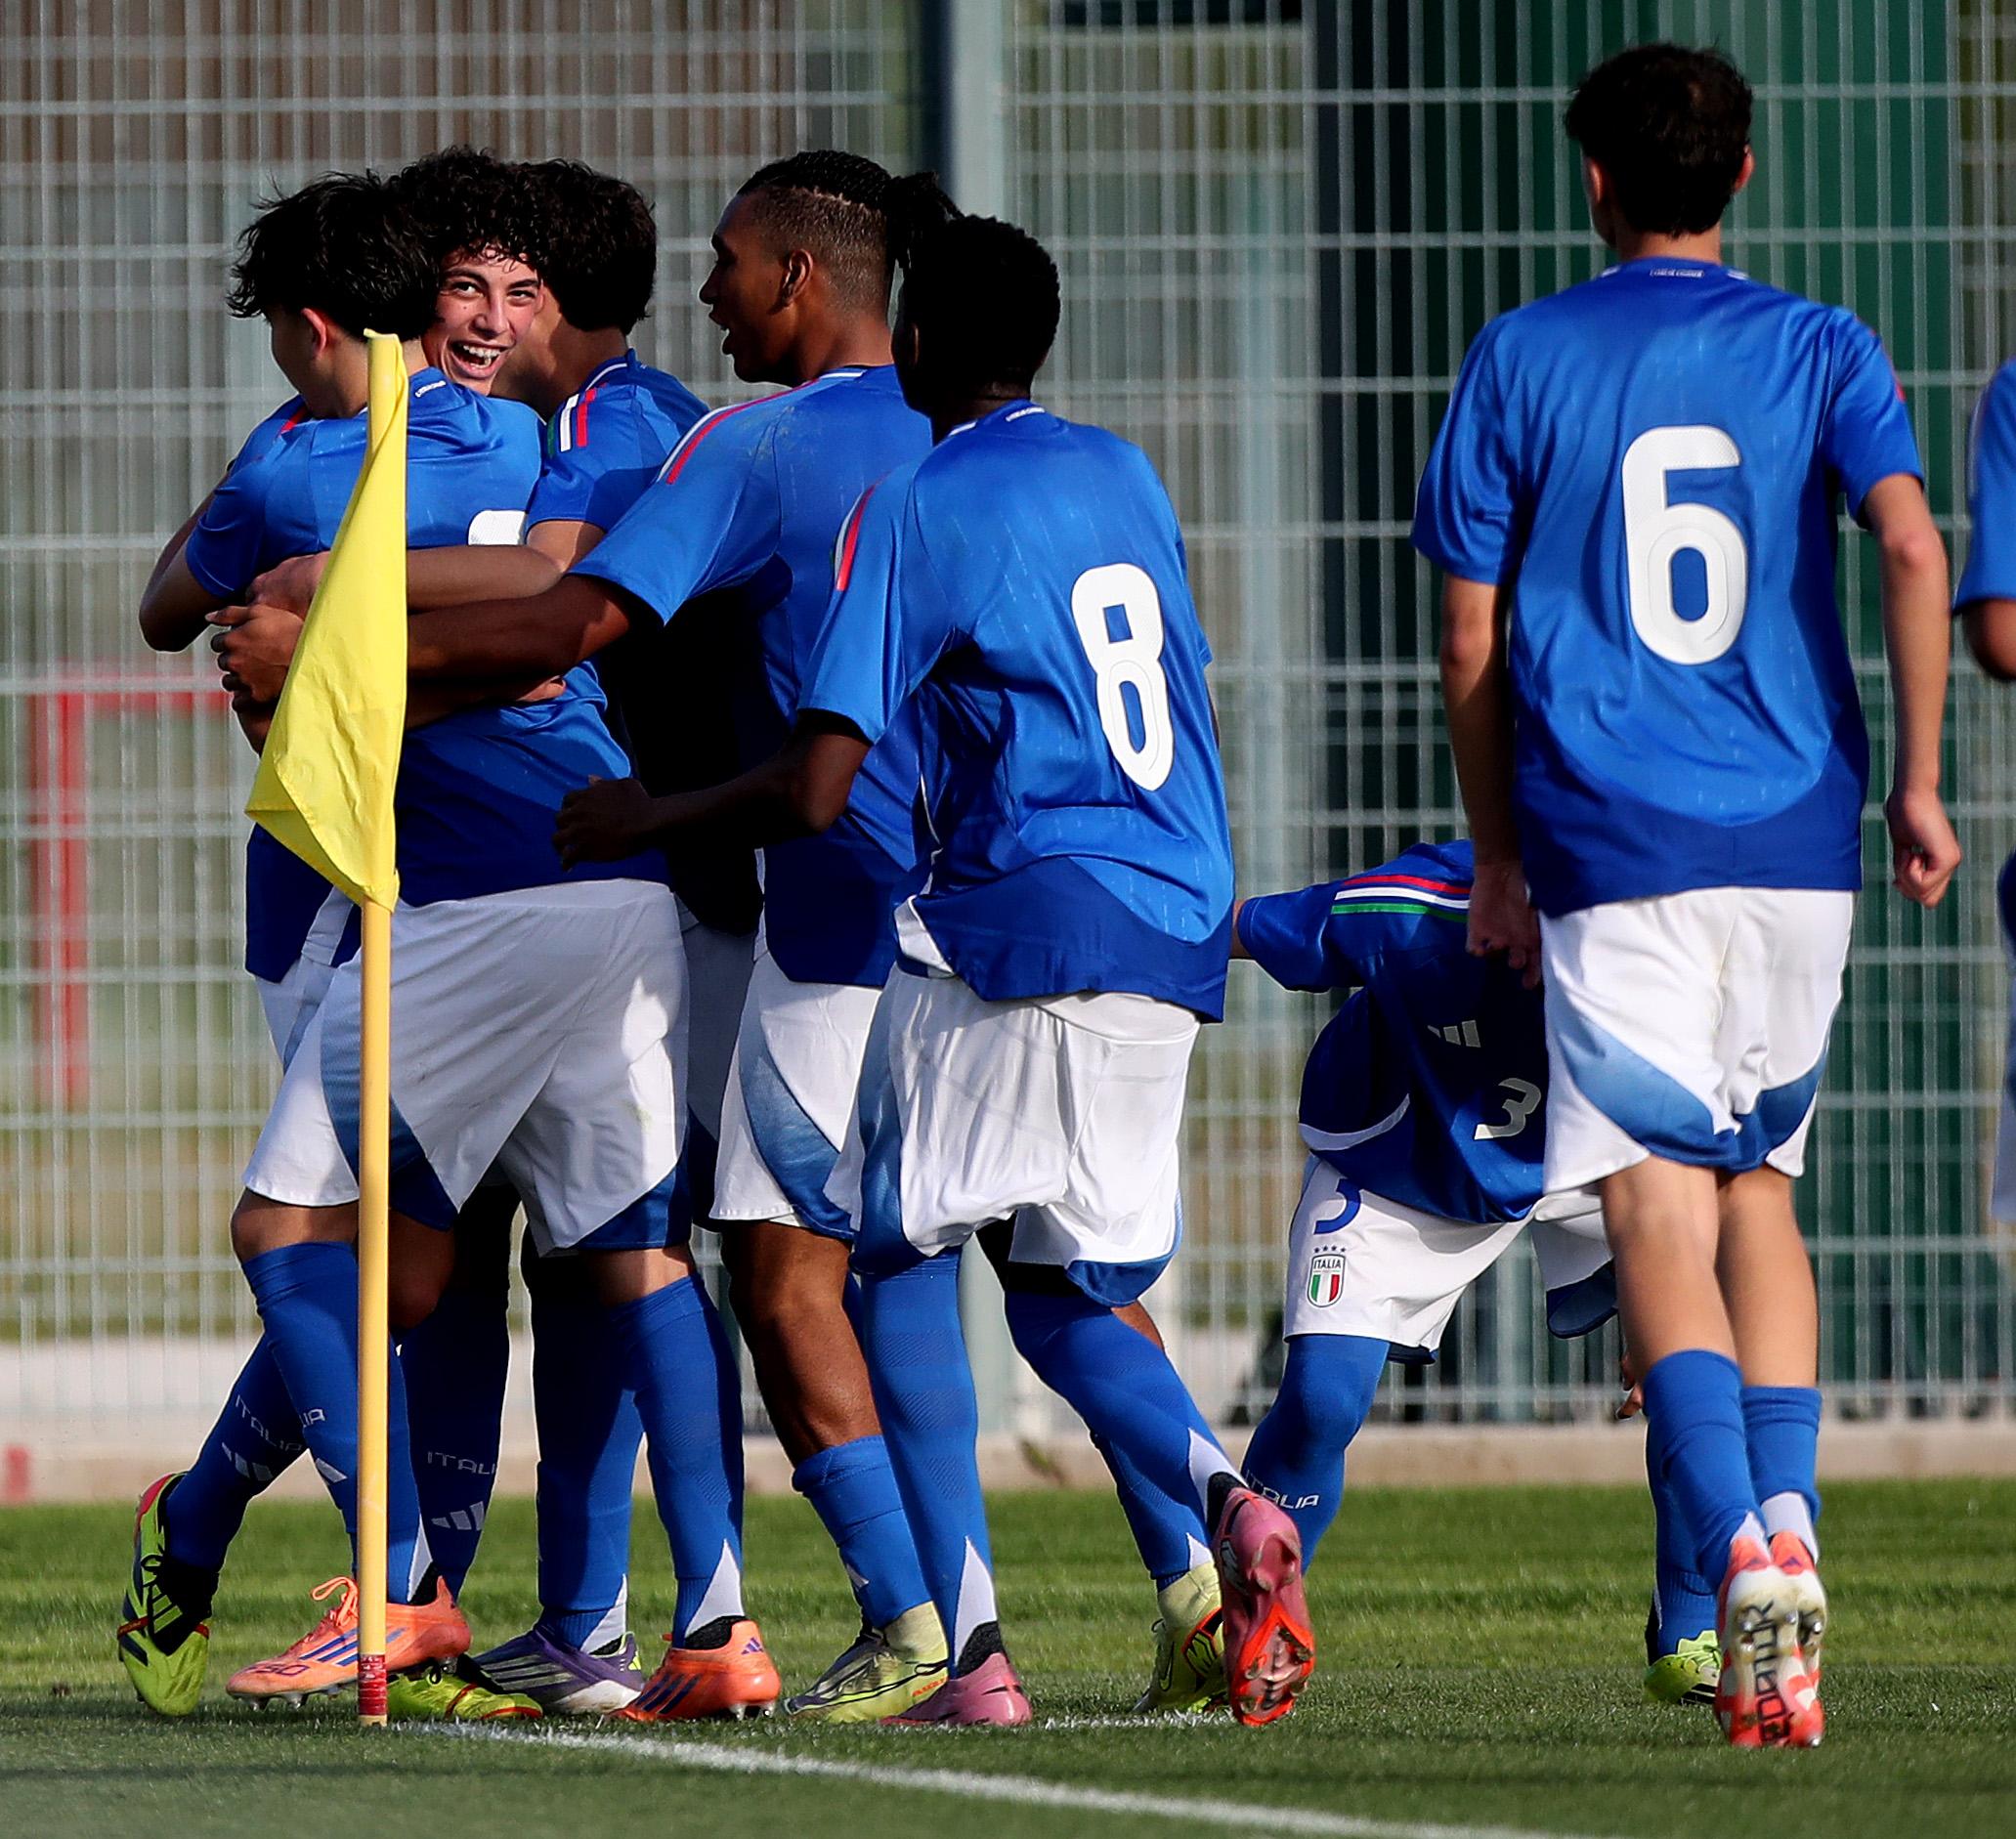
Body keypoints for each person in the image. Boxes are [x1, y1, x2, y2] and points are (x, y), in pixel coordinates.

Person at [219, 150, 960, 1724]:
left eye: (510, 290)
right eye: (457, 292)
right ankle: (685, 1623)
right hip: (710, 896)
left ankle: (401, 1583)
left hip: (622, 890)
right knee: (626, 1263)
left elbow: (563, 609)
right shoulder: (619, 428)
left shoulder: (620, 442)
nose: (480, 320)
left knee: (325, 1239)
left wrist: (326, 619)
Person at [558, 213, 1315, 1729]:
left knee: (857, 1257)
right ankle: (1221, 1517)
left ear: (908, 338)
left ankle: (956, 1649)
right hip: (1175, 923)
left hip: (1010, 921)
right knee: (1064, 1290)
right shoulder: (1124, 470)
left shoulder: (909, 497)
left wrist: (651, 809)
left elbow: (822, 785)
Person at [1415, 42, 1959, 1748]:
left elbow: (1467, 639)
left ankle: (1730, 1541)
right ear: (1739, 178)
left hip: (1612, 836)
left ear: (1591, 183)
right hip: (1800, 834)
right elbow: (1910, 546)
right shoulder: (1822, 345)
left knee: (1650, 1197)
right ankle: (1789, 1524)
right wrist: (1920, 782)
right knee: (1758, 1197)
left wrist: (1494, 856)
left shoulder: (1517, 353)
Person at [1232, 839, 1719, 1707]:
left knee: (1690, 1368)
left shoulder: (1651, 930)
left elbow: (1695, 1106)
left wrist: (1671, 1303)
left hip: (1591, 1157)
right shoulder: (1408, 911)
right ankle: (1249, 1619)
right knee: (1319, 1400)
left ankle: (1686, 1631)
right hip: (1402, 1155)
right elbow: (1235, 929)